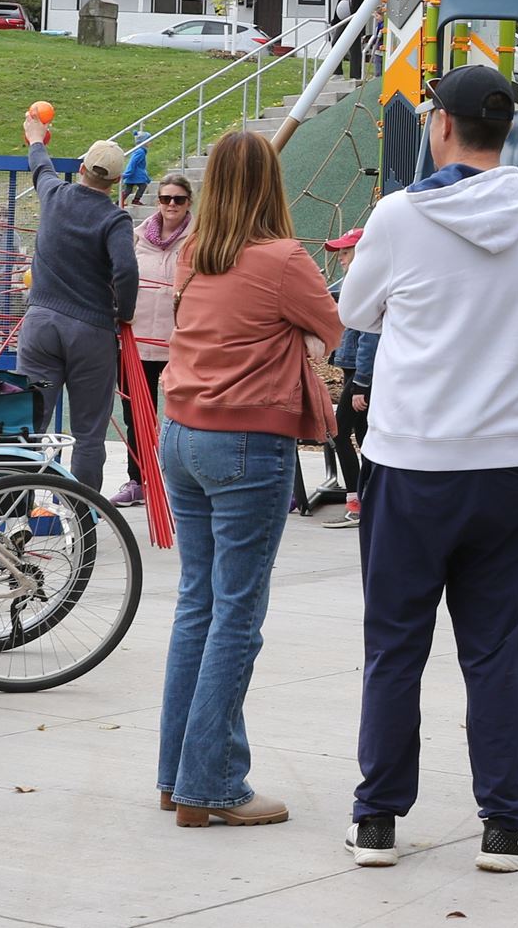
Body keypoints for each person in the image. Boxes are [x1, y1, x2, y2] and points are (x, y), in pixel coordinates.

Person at [337, 64, 518, 873]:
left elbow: (353, 312)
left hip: (409, 457)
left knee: (394, 644)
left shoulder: (399, 215)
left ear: (440, 124)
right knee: (493, 648)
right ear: (505, 129)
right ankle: (507, 823)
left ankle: (376, 819)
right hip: (504, 459)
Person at [156, 130, 345, 828]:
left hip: (180, 431)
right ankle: (213, 783)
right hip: (245, 441)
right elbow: (340, 329)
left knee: (197, 606)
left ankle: (178, 776)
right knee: (236, 615)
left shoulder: (193, 255)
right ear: (273, 182)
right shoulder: (285, 259)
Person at [17, 115, 140, 497]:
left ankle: (11, 511)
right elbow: (126, 269)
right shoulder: (114, 218)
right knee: (88, 433)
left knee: (29, 423)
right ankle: (83, 515)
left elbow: (41, 163)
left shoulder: (54, 193)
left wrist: (35, 136)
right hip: (91, 333)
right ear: (117, 181)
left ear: (82, 168)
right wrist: (125, 311)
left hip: (40, 326)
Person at [118, 171, 195, 509]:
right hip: (136, 344)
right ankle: (138, 479)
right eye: (165, 199)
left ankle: (185, 482)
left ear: (189, 202)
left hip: (180, 344)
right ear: (157, 201)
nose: (171, 205)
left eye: (178, 199)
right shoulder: (135, 240)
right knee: (137, 416)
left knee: (186, 414)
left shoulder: (198, 241)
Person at [322, 227, 378, 530]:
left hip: (359, 375)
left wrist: (361, 384)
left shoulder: (365, 284)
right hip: (352, 371)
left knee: (338, 433)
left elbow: (370, 336)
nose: (341, 258)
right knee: (362, 435)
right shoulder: (352, 283)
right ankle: (370, 499)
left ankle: (357, 503)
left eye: (346, 252)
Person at [121, 130, 153, 208]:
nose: (150, 142)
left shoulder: (140, 151)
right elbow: (133, 162)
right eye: (149, 141)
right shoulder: (140, 152)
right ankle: (135, 200)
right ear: (143, 142)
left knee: (128, 190)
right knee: (142, 186)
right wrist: (128, 173)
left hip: (136, 175)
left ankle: (119, 201)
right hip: (135, 175)